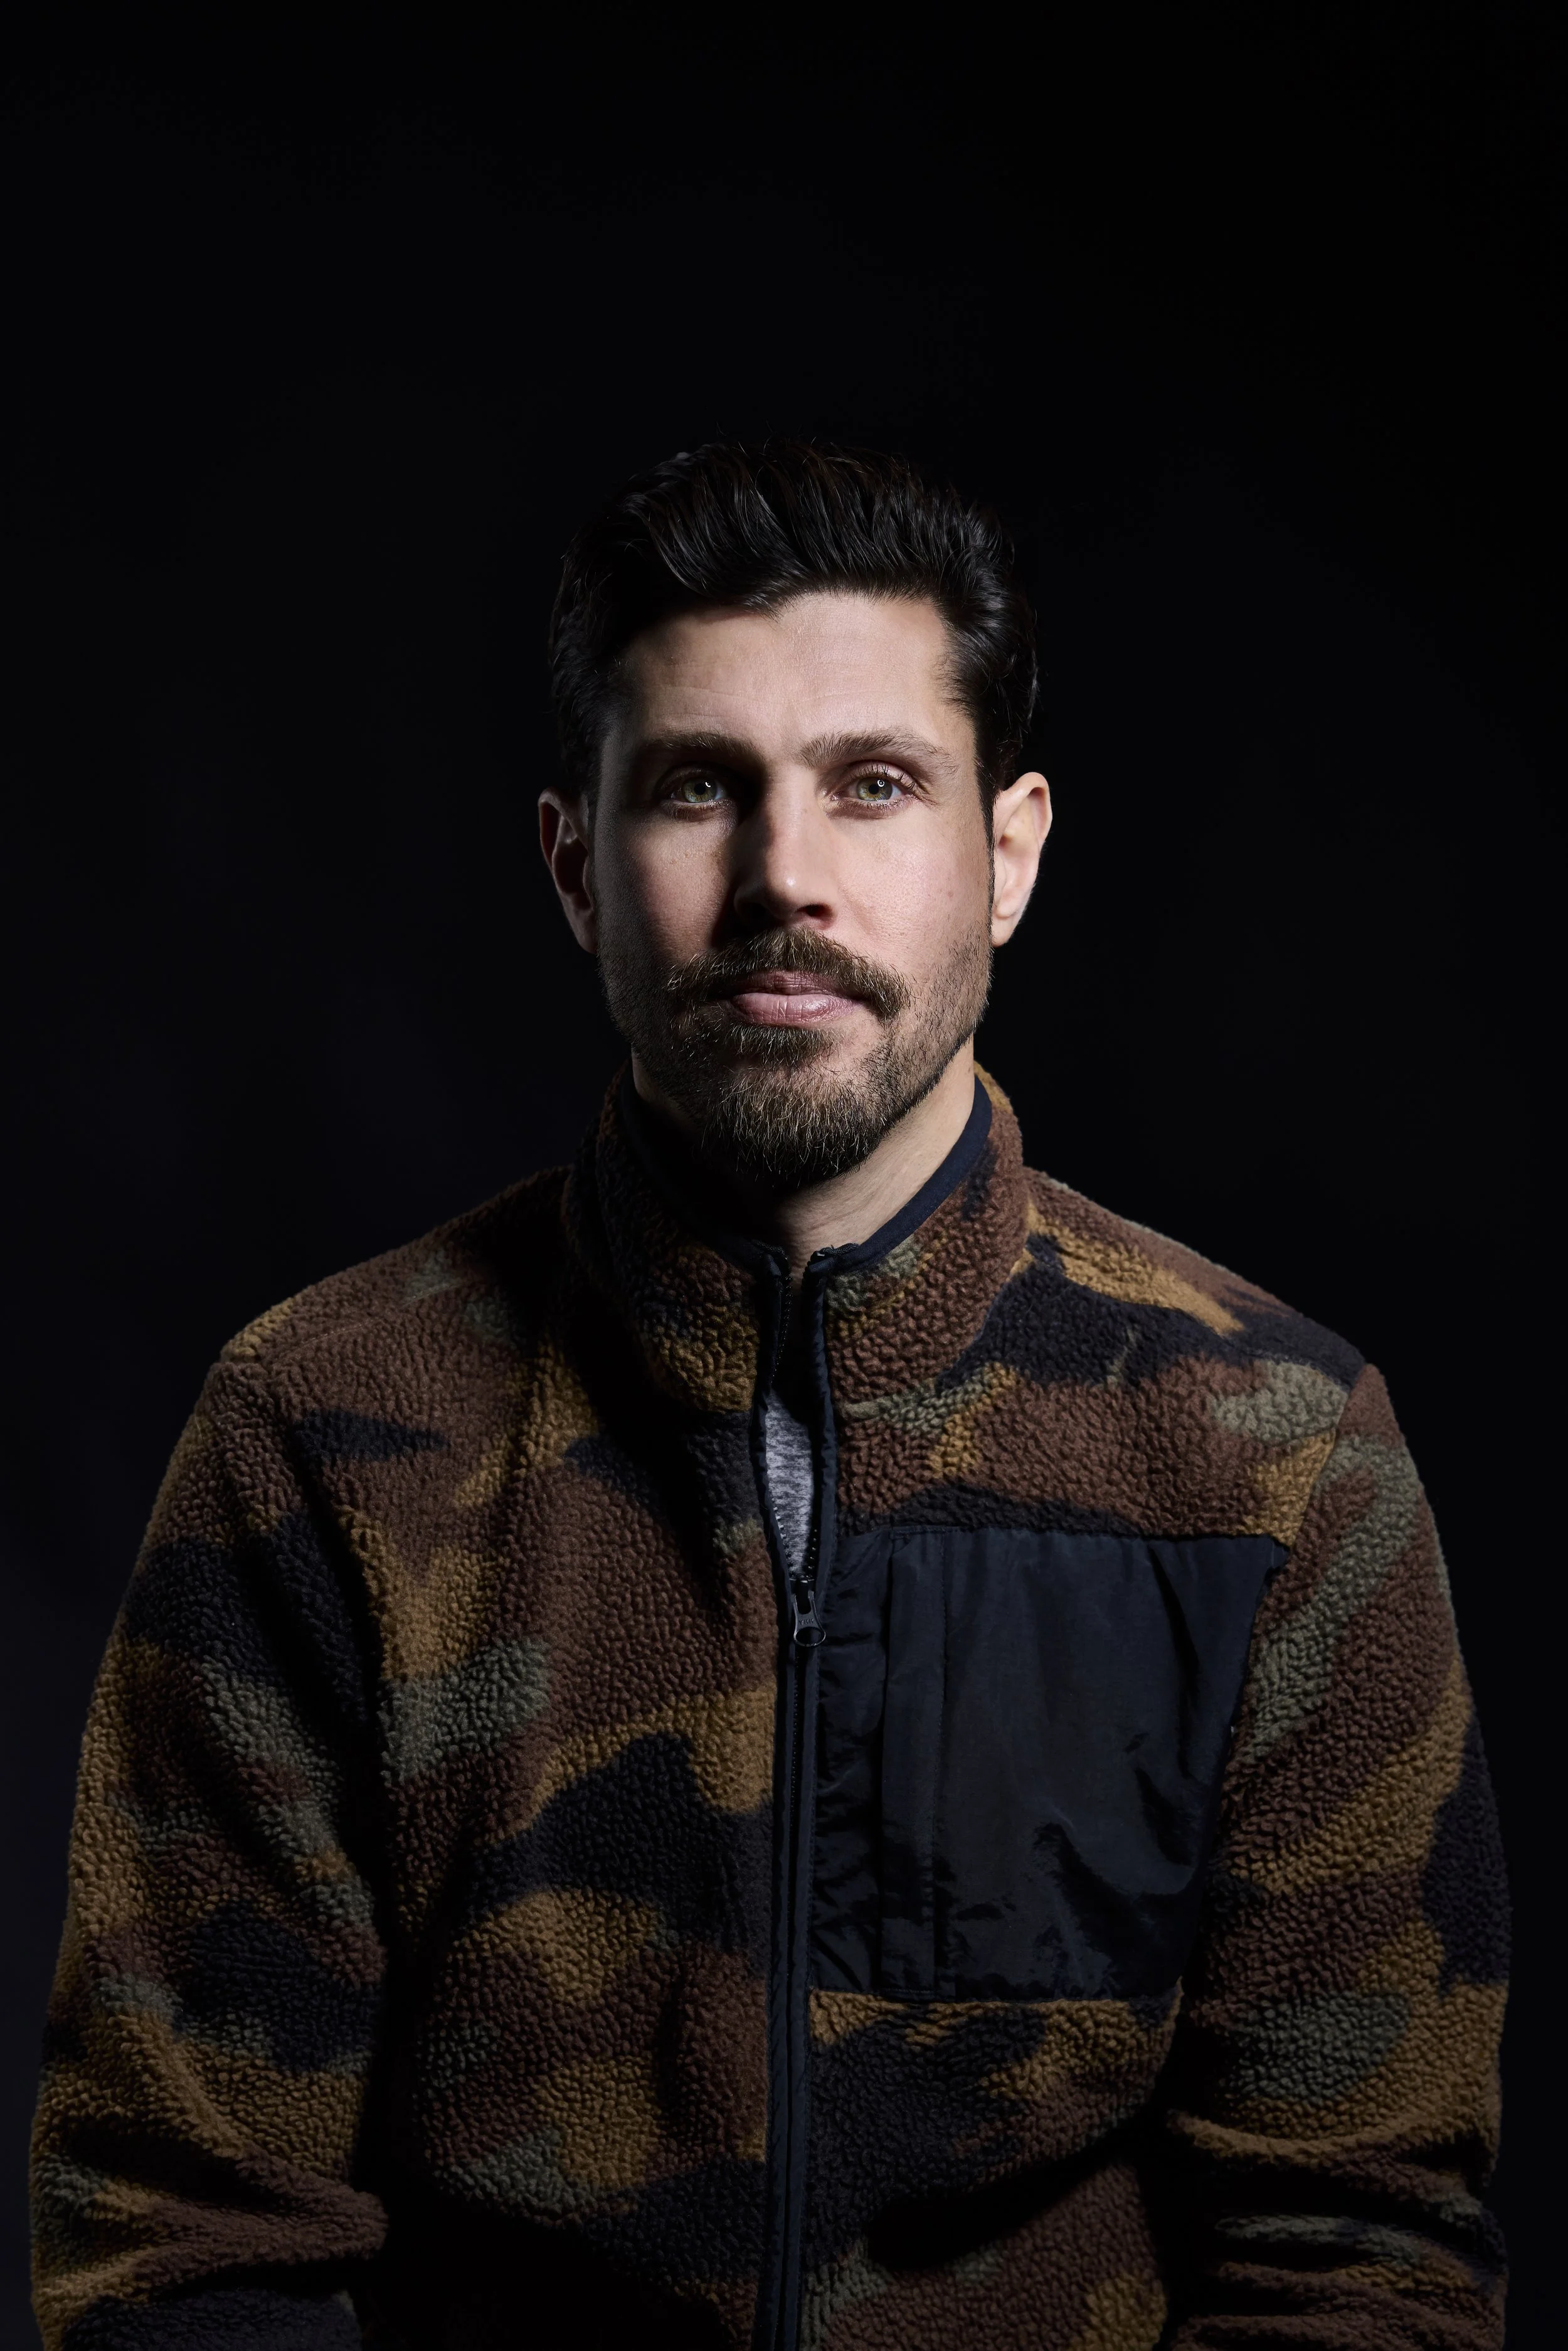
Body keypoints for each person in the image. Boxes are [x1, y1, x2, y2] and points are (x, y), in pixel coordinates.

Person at [31, 442, 1508, 2350]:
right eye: (695, 788)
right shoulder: (316, 1438)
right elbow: (181, 2246)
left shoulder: (1274, 1458)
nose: (782, 879)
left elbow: (1360, 2255)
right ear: (576, 864)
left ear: (1009, 849)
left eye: (872, 785)